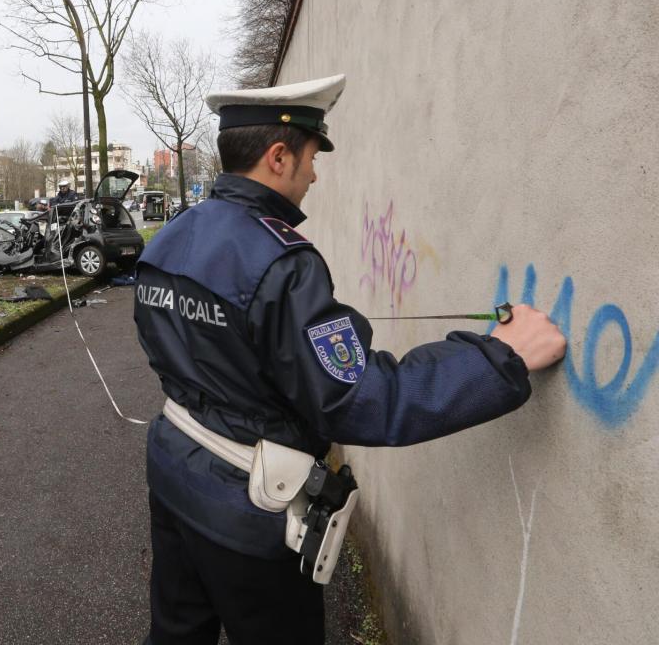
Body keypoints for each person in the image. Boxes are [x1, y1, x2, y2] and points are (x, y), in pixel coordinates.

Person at [133, 74, 566, 645]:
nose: (314, 174)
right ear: (279, 155)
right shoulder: (281, 262)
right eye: (313, 157)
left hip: (175, 472)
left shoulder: (171, 238)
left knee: (176, 633)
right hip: (248, 515)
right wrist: (502, 357)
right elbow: (357, 399)